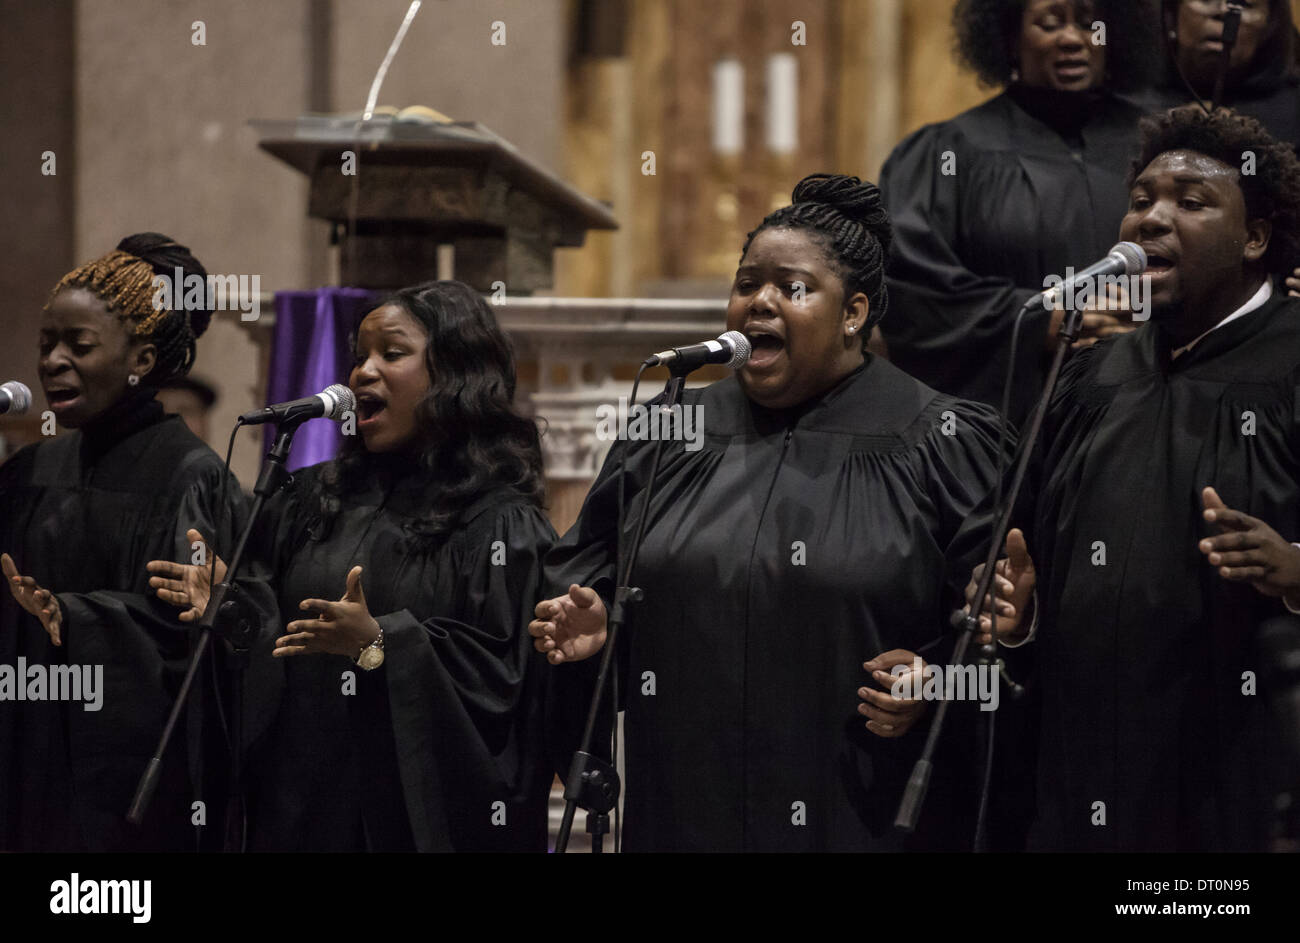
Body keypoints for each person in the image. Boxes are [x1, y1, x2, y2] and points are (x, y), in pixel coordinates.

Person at [531, 174, 1015, 852]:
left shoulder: (943, 441)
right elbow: (587, 589)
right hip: (686, 812)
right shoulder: (671, 430)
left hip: (860, 816)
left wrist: (938, 685)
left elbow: (1008, 643)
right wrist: (593, 637)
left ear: (853, 312)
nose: (757, 301)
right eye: (745, 283)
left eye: (790, 287)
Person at [967, 105, 1300, 851]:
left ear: (1254, 237)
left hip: (1242, 784)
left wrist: (1295, 570)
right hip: (1079, 782)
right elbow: (1019, 558)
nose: (1150, 218)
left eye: (1190, 201)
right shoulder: (1089, 371)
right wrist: (1013, 610)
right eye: (1142, 198)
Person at [148, 280, 558, 851]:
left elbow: (506, 687)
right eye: (359, 356)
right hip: (302, 810)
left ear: (457, 372)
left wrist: (382, 643)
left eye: (391, 353)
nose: (362, 372)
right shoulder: (309, 501)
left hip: (405, 824)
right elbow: (275, 650)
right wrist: (233, 606)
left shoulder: (500, 526)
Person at [0, 233, 267, 851]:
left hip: (129, 790)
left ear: (141, 361)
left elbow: (188, 640)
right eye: (46, 344)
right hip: (27, 753)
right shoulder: (29, 471)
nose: (53, 361)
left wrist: (76, 616)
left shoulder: (190, 477)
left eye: (79, 345)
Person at [879, 0, 1157, 426]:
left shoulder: (1161, 148)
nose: (1072, 38)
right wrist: (1031, 321)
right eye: (1049, 23)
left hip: (1143, 409)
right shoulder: (947, 152)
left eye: (1089, 23)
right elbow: (909, 287)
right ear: (1009, 39)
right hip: (1007, 424)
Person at [1134, 0, 1299, 148]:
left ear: (1269, 25)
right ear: (1172, 12)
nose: (1224, 11)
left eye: (1244, 4)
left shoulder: (1294, 116)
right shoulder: (1127, 101)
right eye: (1206, 0)